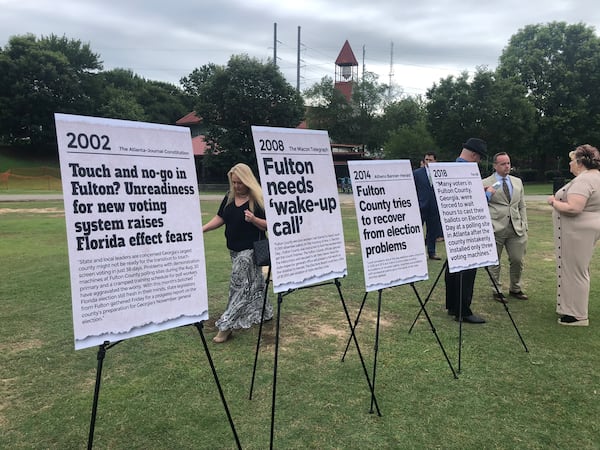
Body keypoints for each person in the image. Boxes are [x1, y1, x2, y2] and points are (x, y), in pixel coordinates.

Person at [203, 163, 273, 342]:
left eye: (240, 183)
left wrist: (254, 219)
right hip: (234, 250)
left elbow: (271, 224)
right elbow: (221, 218)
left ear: (247, 181)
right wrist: (202, 229)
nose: (236, 186)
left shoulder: (257, 199)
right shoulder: (229, 197)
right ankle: (265, 311)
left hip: (250, 250)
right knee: (255, 281)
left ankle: (226, 326)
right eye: (233, 182)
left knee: (238, 287)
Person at [547, 144, 600, 326]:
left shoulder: (584, 180)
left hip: (577, 232)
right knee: (576, 269)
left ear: (579, 162)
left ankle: (577, 315)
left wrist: (553, 202)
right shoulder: (595, 177)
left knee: (575, 271)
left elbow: (573, 207)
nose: (570, 165)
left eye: (571, 161)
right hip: (583, 230)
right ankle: (569, 307)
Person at [445, 138, 488, 324]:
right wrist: (487, 194)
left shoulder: (450, 168)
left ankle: (452, 304)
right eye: (478, 158)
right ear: (473, 155)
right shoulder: (467, 171)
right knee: (467, 269)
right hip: (467, 226)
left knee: (452, 266)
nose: (478, 162)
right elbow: (474, 200)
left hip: (451, 225)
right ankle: (463, 309)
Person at [482, 152, 528, 302]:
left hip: (516, 227)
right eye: (503, 164)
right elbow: (480, 204)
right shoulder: (484, 182)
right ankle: (497, 290)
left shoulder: (517, 182)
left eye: (508, 163)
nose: (507, 166)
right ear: (495, 165)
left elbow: (522, 205)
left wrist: (524, 224)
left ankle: (515, 288)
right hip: (495, 227)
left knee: (517, 259)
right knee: (494, 262)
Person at [413, 152, 443, 260]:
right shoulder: (417, 173)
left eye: (431, 160)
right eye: (426, 160)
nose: (428, 162)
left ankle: (432, 252)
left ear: (435, 161)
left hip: (434, 206)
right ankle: (416, 253)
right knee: (417, 230)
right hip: (421, 205)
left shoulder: (440, 173)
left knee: (432, 231)